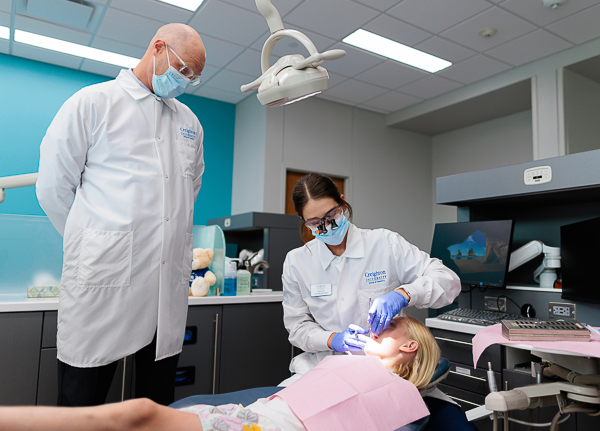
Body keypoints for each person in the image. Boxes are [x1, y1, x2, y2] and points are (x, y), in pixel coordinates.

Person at [35, 23, 206, 406]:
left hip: (164, 289)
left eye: (194, 77)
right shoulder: (93, 103)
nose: (187, 81)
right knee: (83, 403)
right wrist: (92, 241)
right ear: (157, 47)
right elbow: (52, 187)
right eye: (183, 70)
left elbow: (186, 191)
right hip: (103, 280)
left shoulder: (190, 124)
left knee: (155, 405)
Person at [0, 316, 444, 431]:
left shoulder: (399, 399)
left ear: (408, 345)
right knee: (138, 415)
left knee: (137, 413)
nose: (373, 323)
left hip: (269, 426)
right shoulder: (346, 361)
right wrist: (332, 343)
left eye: (388, 323)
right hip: (257, 414)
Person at [281, 172, 461, 384]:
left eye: (331, 216)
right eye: (315, 222)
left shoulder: (384, 243)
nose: (326, 226)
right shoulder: (297, 262)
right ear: (304, 221)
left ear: (343, 203)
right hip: (322, 367)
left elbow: (447, 280)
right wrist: (333, 339)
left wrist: (403, 294)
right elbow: (298, 328)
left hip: (384, 371)